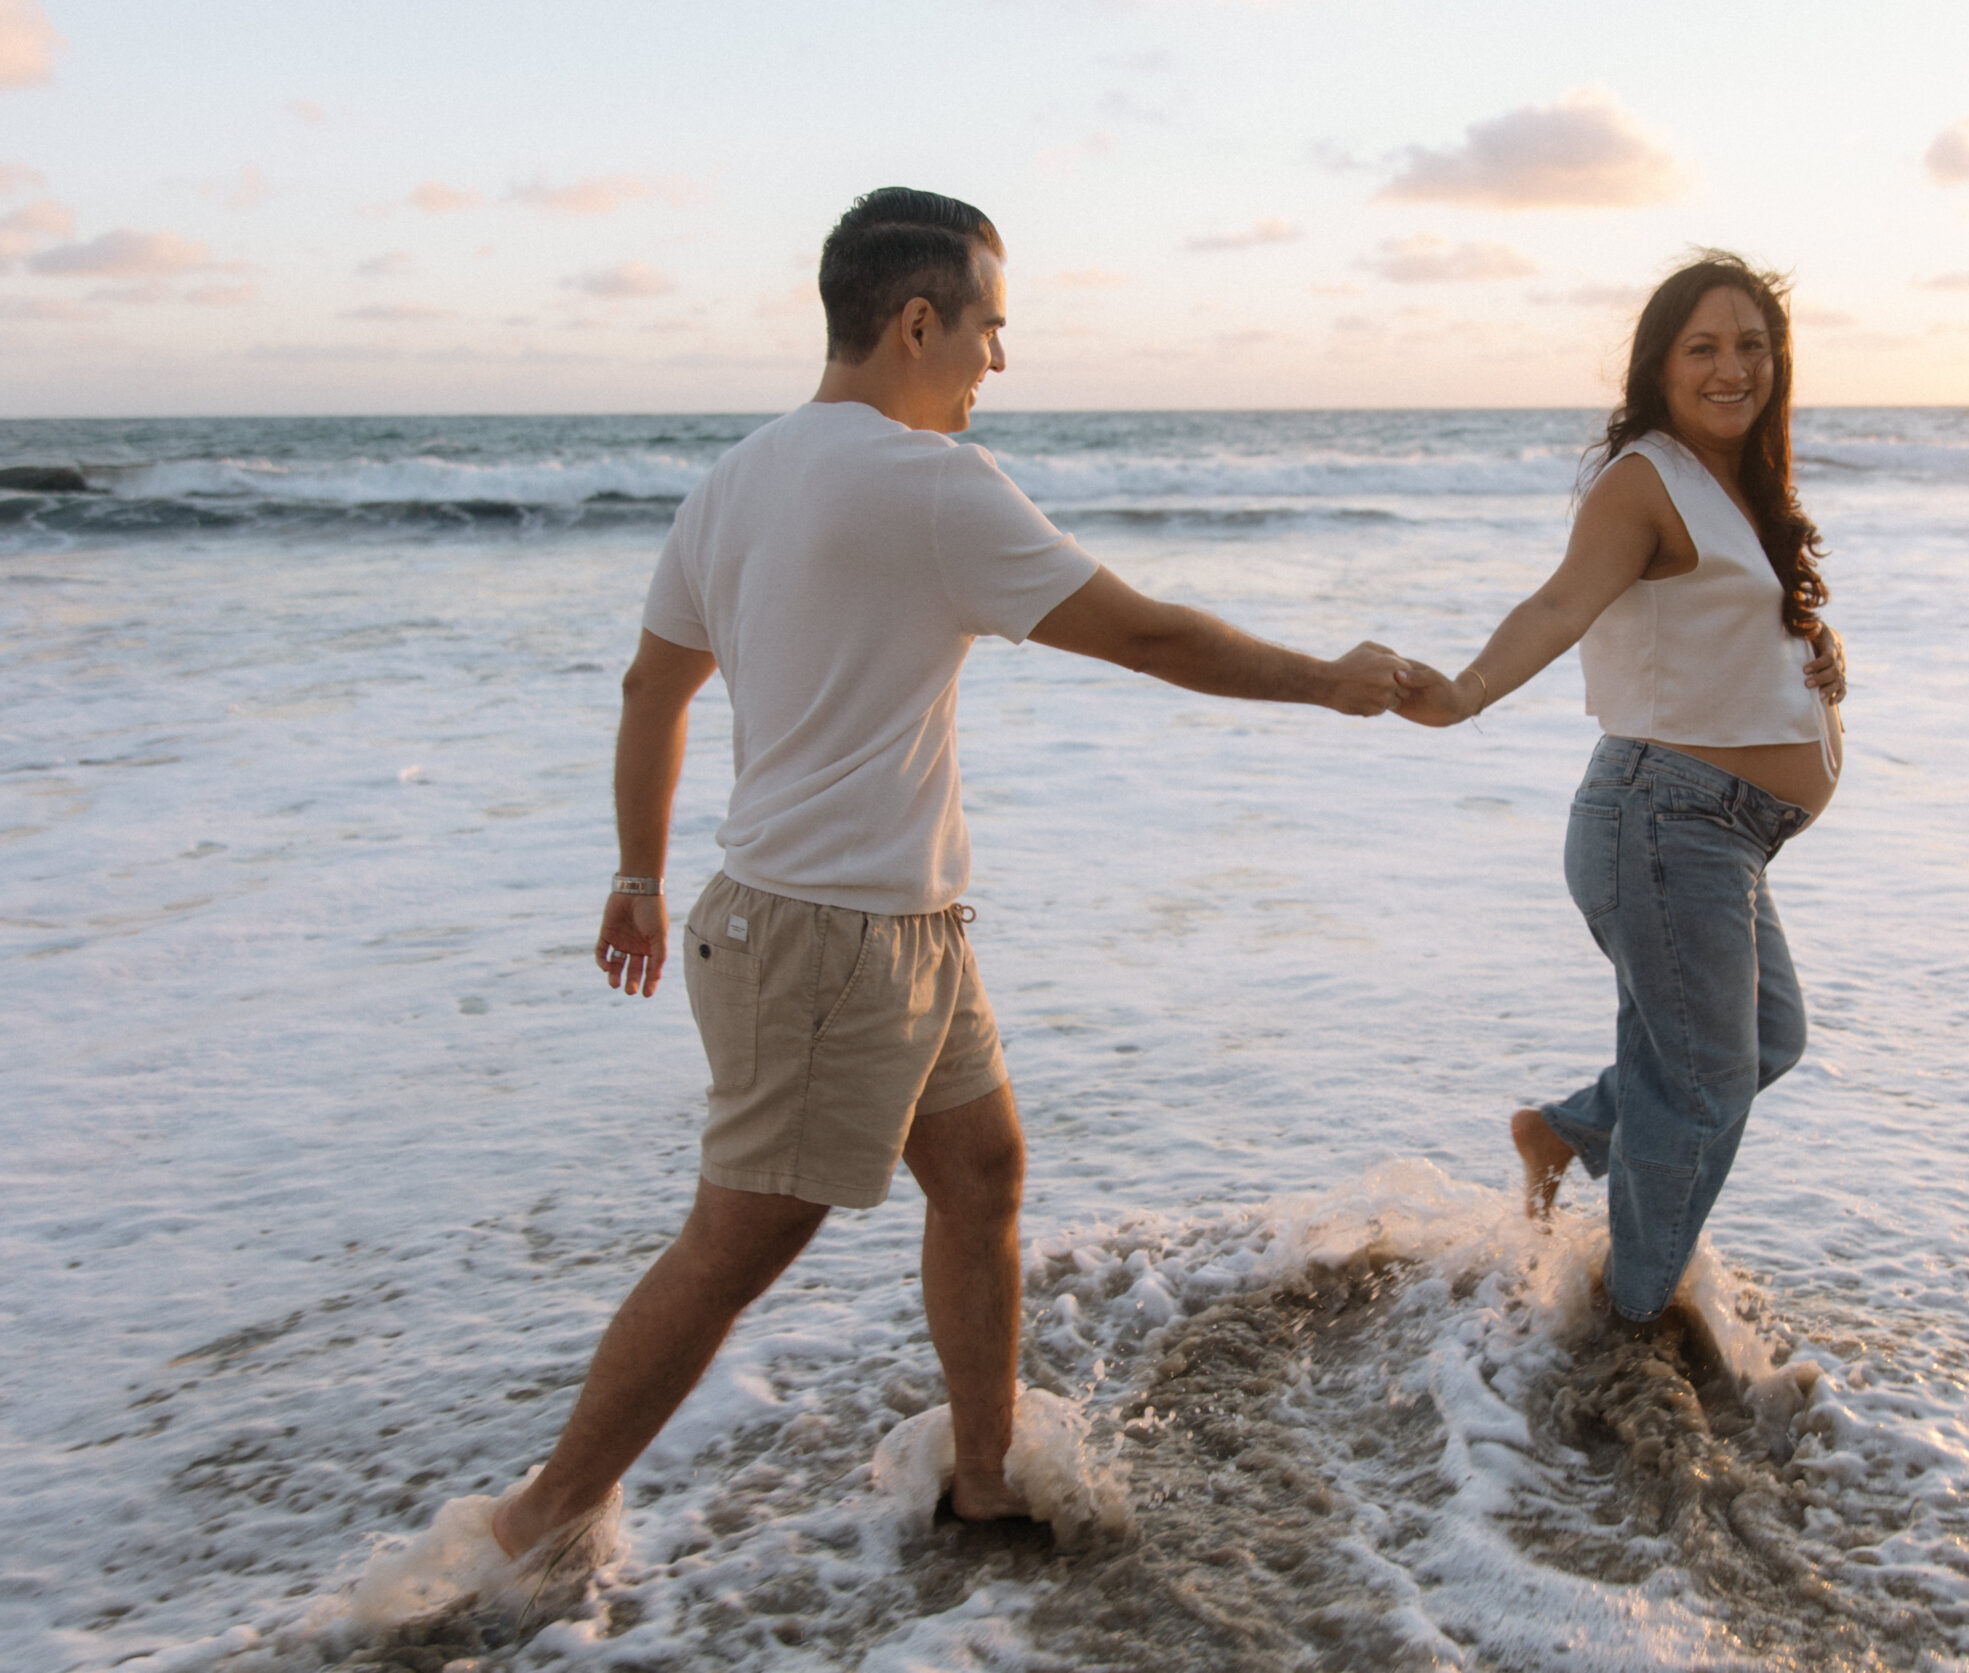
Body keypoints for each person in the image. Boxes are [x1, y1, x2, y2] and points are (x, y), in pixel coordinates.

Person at [471, 187, 1416, 1578]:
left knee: (981, 1171)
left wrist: (636, 870)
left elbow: (651, 688)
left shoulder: (737, 476)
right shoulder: (928, 486)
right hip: (829, 940)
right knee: (738, 1243)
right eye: (990, 328)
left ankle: (980, 1479)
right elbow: (1148, 636)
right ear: (918, 322)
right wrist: (1328, 679)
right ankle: (535, 1526)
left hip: (871, 922)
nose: (998, 364)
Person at [1397, 250, 1847, 1326]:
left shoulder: (1737, 481)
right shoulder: (1644, 478)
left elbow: (1714, 633)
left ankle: (1563, 1132)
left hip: (1718, 831)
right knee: (1701, 1087)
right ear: (1659, 365)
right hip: (1662, 822)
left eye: (1752, 346)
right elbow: (1560, 606)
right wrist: (1464, 691)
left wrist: (1815, 652)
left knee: (1760, 1043)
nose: (1732, 367)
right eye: (1704, 348)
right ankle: (1629, 1326)